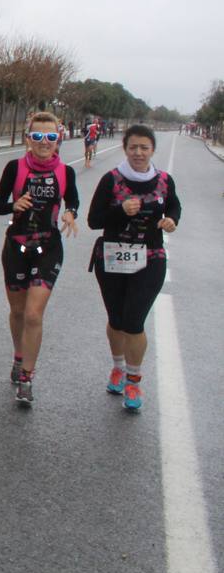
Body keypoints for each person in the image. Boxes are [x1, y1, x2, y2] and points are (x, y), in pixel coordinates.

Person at [87, 124, 180, 412]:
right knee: (116, 319)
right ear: (125, 149)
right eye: (133, 147)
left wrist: (171, 221)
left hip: (150, 259)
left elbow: (174, 207)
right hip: (113, 257)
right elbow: (93, 220)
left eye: (144, 147)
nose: (138, 153)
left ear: (152, 150)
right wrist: (118, 210)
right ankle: (117, 367)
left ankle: (134, 380)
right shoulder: (111, 179)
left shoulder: (164, 180)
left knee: (134, 321)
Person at [0, 111, 79, 404]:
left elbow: (74, 201)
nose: (44, 142)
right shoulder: (14, 168)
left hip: (48, 247)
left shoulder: (66, 172)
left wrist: (70, 213)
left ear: (58, 139)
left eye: (51, 137)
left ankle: (27, 377)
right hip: (16, 247)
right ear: (29, 138)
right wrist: (13, 204)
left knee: (33, 314)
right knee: (17, 312)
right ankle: (19, 356)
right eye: (38, 136)